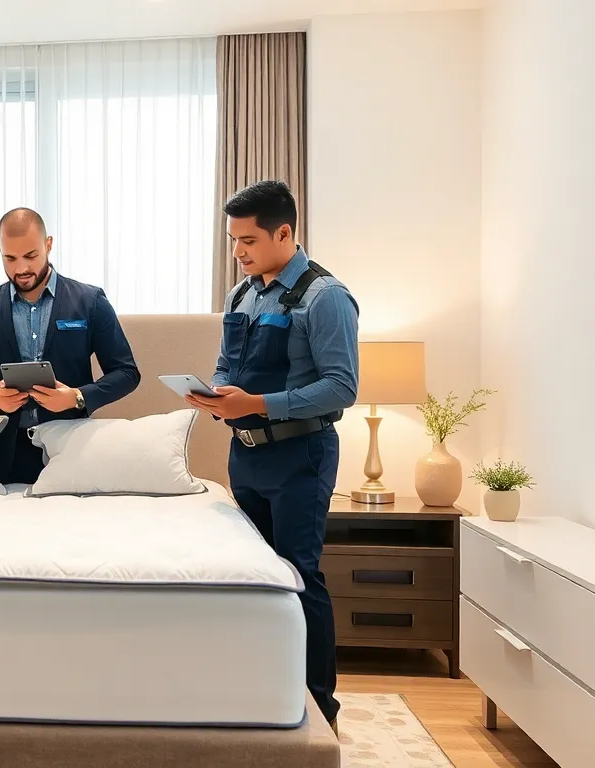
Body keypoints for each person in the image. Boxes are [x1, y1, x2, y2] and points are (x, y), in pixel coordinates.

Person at [185, 179, 359, 733]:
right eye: (233, 240)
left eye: (248, 241)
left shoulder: (325, 297)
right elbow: (225, 365)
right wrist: (215, 395)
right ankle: (264, 687)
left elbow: (341, 388)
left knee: (299, 576)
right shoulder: (243, 294)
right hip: (247, 459)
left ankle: (319, 706)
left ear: (285, 233)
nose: (237, 252)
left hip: (301, 457)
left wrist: (256, 402)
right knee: (257, 576)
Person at [0, 207, 140, 485]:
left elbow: (127, 374)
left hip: (73, 451)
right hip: (1, 459)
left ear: (48, 245)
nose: (21, 268)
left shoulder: (91, 301)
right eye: (10, 258)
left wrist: (77, 397)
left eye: (31, 256)